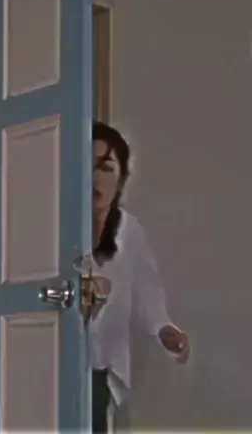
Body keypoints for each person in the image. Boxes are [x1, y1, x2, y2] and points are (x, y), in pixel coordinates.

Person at [89, 121, 191, 433]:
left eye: (105, 167)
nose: (94, 177)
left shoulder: (129, 231)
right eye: (87, 165)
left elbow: (148, 292)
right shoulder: (53, 223)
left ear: (121, 178)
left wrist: (164, 330)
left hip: (99, 367)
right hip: (49, 362)